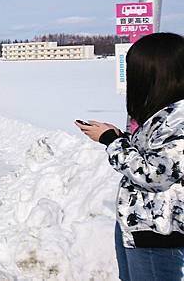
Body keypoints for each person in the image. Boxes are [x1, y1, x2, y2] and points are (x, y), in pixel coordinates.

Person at [76, 32, 184, 281]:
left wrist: (111, 141)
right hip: (142, 225)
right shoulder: (168, 113)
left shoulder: (180, 119)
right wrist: (120, 138)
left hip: (160, 234)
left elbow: (155, 174)